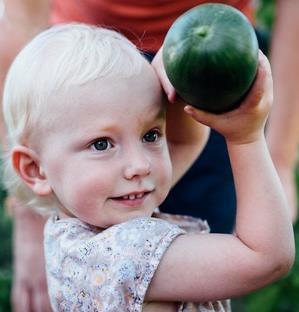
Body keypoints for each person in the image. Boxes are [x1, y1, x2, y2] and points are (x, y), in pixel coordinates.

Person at [0, 1, 298, 311]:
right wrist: (246, 138)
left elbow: (183, 141)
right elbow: (266, 258)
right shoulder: (122, 255)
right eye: (102, 144)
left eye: (150, 136)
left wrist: (168, 86)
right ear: (35, 169)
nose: (140, 165)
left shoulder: (75, 231)